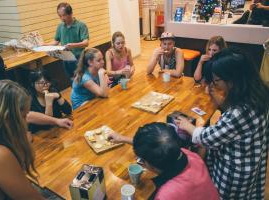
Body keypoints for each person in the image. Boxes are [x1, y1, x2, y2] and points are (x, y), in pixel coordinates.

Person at [176, 48, 269, 199]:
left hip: (234, 174)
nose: (215, 84)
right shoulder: (256, 93)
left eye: (217, 80)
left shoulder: (241, 112)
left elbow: (207, 138)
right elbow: (232, 120)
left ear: (232, 80)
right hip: (250, 160)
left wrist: (188, 126)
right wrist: (215, 97)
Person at [108, 122, 219, 200]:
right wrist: (123, 138)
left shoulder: (167, 195)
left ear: (147, 164)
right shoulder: (190, 155)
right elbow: (157, 147)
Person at [47, 2, 89, 81]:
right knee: (71, 80)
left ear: (71, 13)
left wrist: (73, 45)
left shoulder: (81, 25)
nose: (62, 18)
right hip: (66, 58)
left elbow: (86, 43)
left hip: (79, 59)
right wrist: (44, 45)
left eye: (64, 15)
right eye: (60, 16)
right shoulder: (60, 26)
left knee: (83, 80)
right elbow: (56, 41)